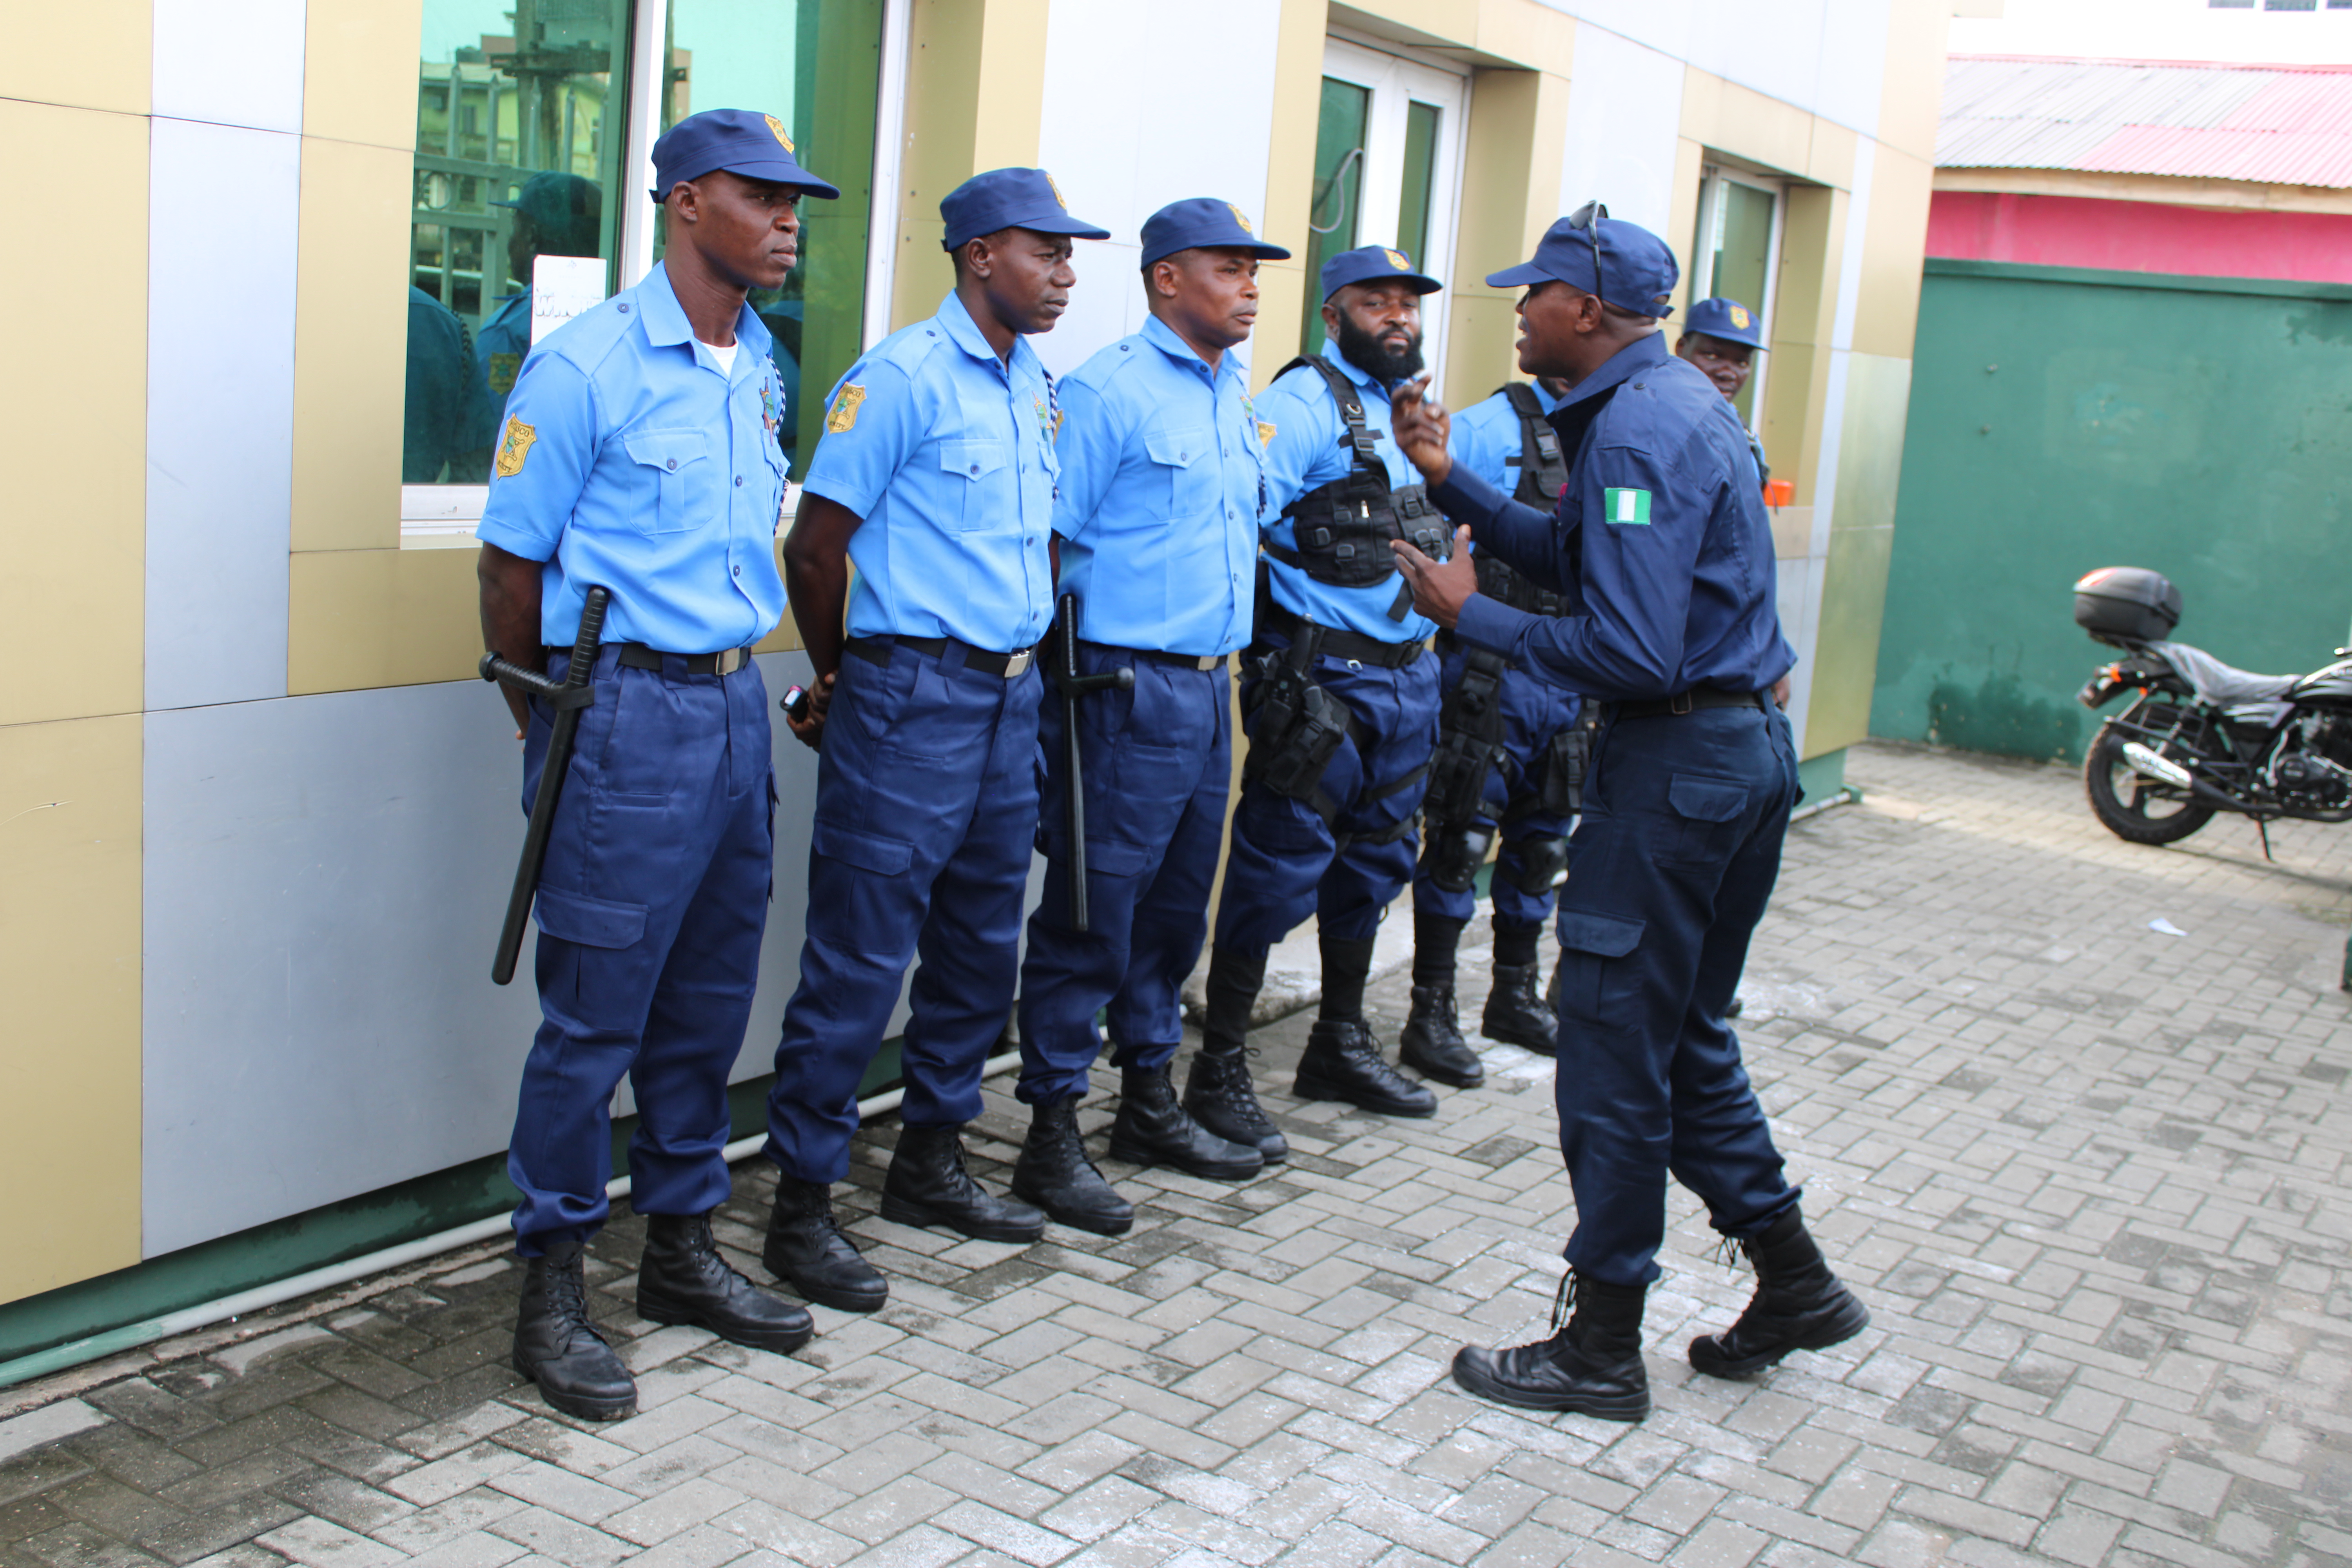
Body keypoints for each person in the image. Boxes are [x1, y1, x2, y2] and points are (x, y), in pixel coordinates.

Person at [1386, 205, 1869, 1423]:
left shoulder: (1640, 433)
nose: (1518, 307)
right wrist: (1453, 486)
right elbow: (1576, 549)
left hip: (1674, 769)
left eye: (1534, 291)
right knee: (1684, 1036)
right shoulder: (1660, 409)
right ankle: (1795, 1282)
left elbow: (1632, 649)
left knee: (1608, 1049)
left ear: (1586, 312)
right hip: (1735, 757)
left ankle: (1600, 1347)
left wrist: (1468, 616)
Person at [473, 108, 842, 1421]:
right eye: (764, 197)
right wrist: (547, 725)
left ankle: (681, 1252)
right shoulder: (585, 370)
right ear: (687, 202)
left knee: (704, 1006)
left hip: (732, 707)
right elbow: (509, 569)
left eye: (799, 201)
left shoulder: (759, 370)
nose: (791, 221)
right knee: (594, 1023)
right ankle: (554, 1283)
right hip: (619, 715)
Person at [760, 169, 1110, 1312]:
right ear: (977, 256)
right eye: (1044, 253)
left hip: (1009, 700)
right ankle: (801, 1209)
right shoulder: (901, 378)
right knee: (859, 960)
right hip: (909, 696)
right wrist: (839, 675)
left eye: (1069, 257)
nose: (1063, 275)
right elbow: (816, 547)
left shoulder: (1033, 385)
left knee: (976, 950)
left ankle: (928, 1161)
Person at [1007, 199, 1288, 1235]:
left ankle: (1148, 1101)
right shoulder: (1108, 394)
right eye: (1231, 268)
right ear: (1168, 279)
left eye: (1255, 272)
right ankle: (1050, 1133)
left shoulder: (1230, 392)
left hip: (1208, 685)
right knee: (1094, 911)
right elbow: (1043, 544)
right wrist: (1041, 705)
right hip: (1120, 687)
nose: (1251, 287)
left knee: (1174, 913)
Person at [1184, 243, 1461, 1163]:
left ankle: (1338, 1041)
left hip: (1407, 679)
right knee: (1276, 869)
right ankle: (1218, 1067)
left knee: (1378, 863)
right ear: (1333, 314)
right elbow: (1235, 518)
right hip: (1324, 685)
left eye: (1408, 305)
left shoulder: (1406, 412)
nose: (1398, 319)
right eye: (1376, 303)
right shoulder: (1299, 407)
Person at [1402, 374, 1583, 1067]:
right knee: (1460, 845)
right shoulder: (1476, 429)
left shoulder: (1611, 433)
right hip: (1488, 676)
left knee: (1543, 848)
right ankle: (1431, 1013)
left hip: (1570, 673)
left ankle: (1514, 995)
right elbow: (1424, 528)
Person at [477, 172, 607, 413]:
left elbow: (493, 436)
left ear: (532, 236)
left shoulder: (507, 330)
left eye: (516, 227)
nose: (510, 241)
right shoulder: (616, 310)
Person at [1675, 297, 1769, 490]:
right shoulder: (1658, 419)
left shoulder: (1738, 426)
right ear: (1682, 348)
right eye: (1712, 356)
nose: (1728, 373)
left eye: (1742, 362)